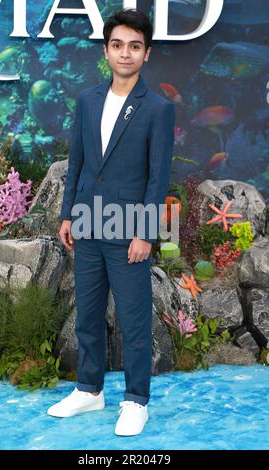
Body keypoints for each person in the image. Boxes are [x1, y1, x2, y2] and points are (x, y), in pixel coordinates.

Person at [47, 8, 175, 437]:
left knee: (134, 320)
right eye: (117, 45)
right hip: (86, 221)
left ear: (147, 53)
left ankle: (136, 399)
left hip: (128, 228)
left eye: (134, 46)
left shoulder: (157, 108)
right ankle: (89, 389)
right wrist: (67, 214)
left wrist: (145, 231)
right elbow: (79, 161)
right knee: (87, 315)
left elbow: (157, 178)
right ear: (106, 50)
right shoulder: (87, 99)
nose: (125, 53)